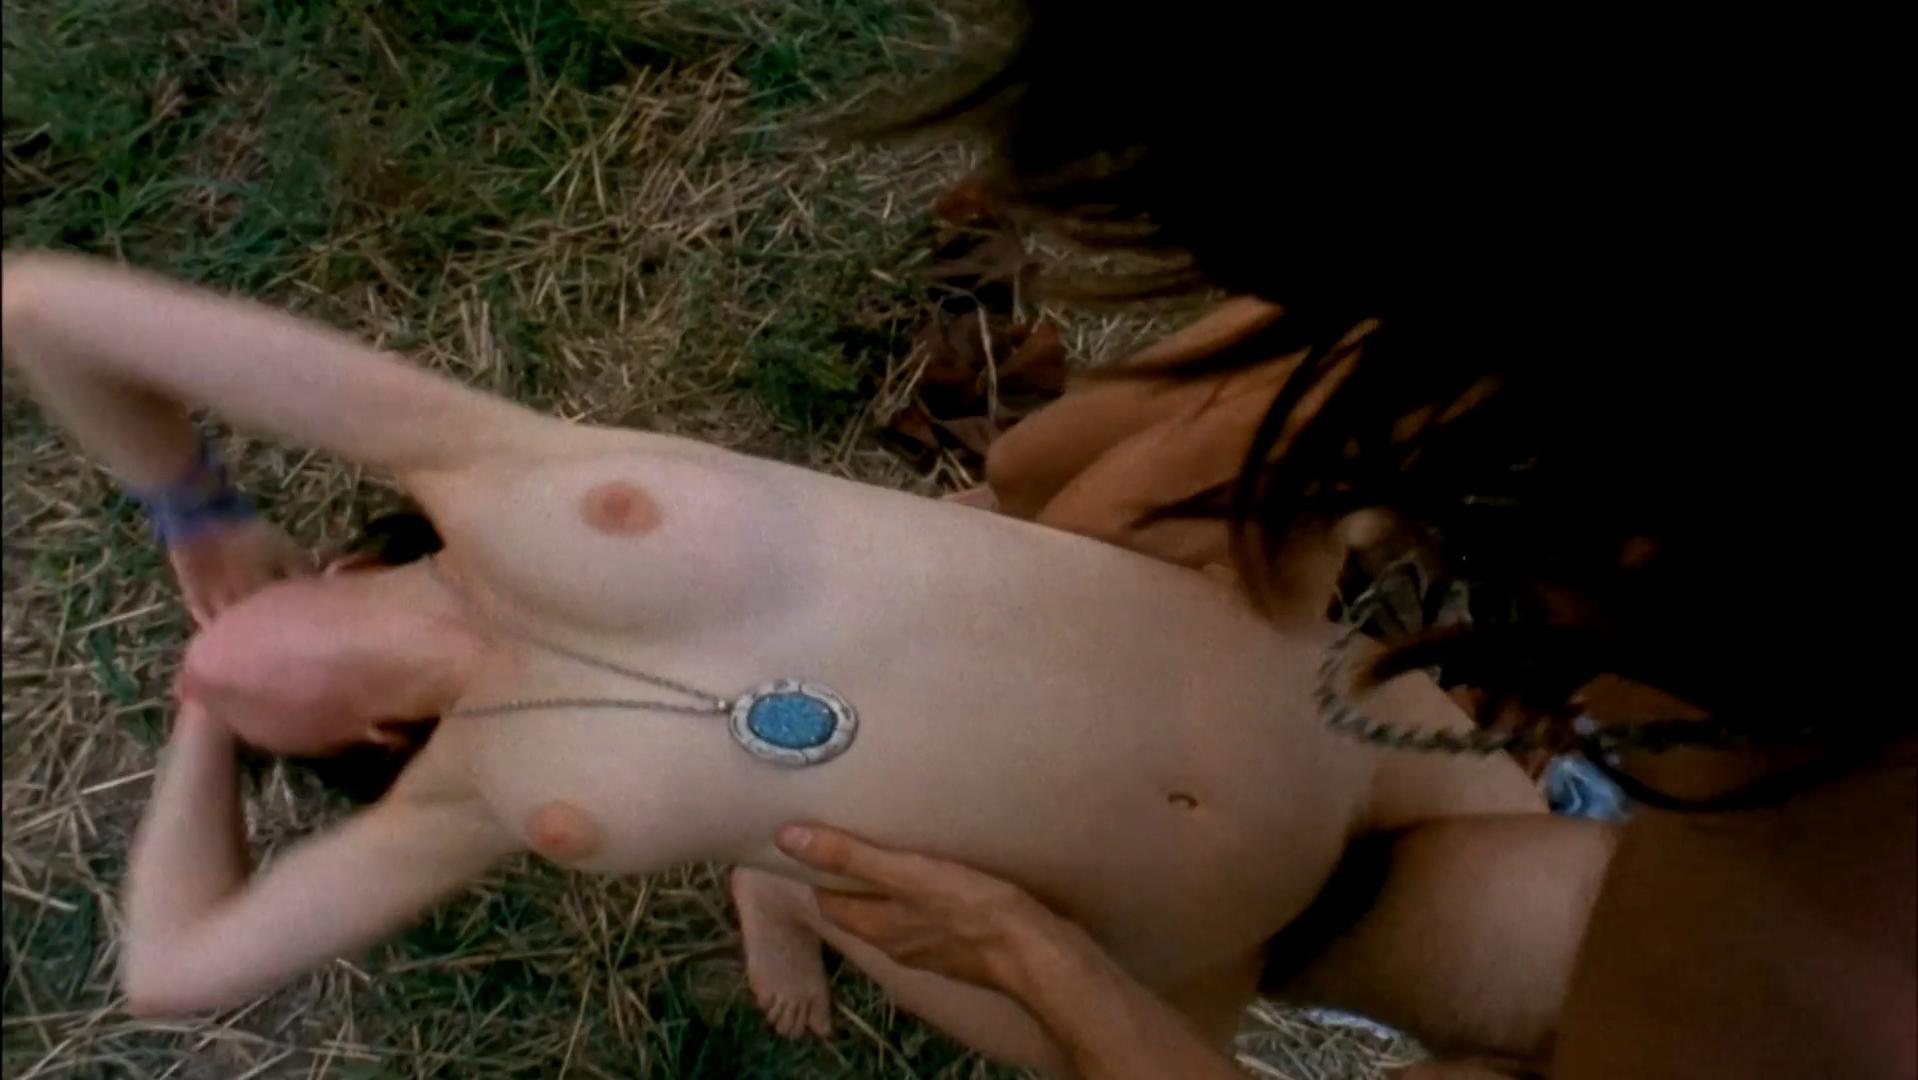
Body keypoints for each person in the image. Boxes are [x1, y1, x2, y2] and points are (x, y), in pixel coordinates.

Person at [0, 251, 1602, 1074]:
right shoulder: (467, 797)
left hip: (1332, 718)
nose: (202, 654)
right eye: (237, 708)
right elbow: (171, 972)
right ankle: (780, 886)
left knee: (1637, 933)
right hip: (1196, 951)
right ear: (358, 743)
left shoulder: (480, 463)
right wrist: (194, 725)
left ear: (341, 560)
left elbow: (42, 302)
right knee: (1601, 997)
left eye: (198, 655)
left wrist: (194, 511)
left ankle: (777, 873)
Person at [772, 4, 1915, 1078]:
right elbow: (1062, 484)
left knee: (1169, 917)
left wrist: (1035, 959)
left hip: (1739, 954)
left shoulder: (1808, 982)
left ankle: (799, 860)